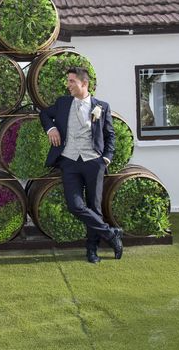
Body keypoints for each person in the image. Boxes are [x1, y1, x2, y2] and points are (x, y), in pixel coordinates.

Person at [39, 67, 123, 264]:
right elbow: (44, 114)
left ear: (83, 84)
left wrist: (106, 158)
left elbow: (110, 135)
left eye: (71, 81)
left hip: (94, 162)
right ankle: (111, 234)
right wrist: (51, 128)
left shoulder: (101, 106)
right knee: (75, 205)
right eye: (68, 81)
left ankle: (92, 250)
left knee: (94, 207)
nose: (67, 85)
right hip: (69, 161)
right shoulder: (62, 103)